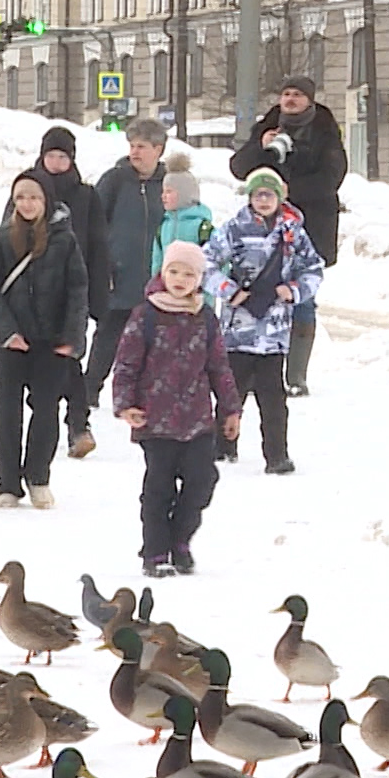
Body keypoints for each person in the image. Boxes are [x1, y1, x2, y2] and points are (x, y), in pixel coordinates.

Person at [111, 242, 242, 577]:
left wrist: (230, 410)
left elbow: (219, 368)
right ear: (162, 272)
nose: (180, 279)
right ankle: (155, 552)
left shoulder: (206, 318)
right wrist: (126, 404)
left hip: (198, 420)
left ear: (199, 279)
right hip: (155, 420)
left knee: (202, 481)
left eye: (189, 273)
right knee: (159, 489)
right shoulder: (146, 315)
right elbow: (126, 363)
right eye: (174, 271)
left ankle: (180, 541)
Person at [228, 75, 348, 398]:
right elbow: (238, 168)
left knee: (301, 299)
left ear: (309, 99)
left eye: (297, 94)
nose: (290, 99)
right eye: (286, 94)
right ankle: (258, 370)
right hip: (264, 231)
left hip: (309, 227)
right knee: (259, 297)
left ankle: (296, 375)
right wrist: (260, 147)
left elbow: (331, 177)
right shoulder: (268, 125)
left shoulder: (324, 129)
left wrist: (285, 191)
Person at [0, 169, 90, 509]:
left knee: (45, 411)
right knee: (7, 414)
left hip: (50, 341)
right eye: (21, 197)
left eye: (34, 197)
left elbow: (77, 289)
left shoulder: (64, 240)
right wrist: (6, 333)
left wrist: (72, 336)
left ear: (46, 201)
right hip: (12, 342)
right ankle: (8, 484)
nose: (27, 204)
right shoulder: (1, 239)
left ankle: (38, 476)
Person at [202, 168, 324, 475]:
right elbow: (205, 264)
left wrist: (293, 291)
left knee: (273, 398)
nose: (264, 200)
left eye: (270, 195)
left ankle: (276, 455)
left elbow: (313, 269)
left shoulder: (293, 232)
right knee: (231, 392)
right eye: (258, 195)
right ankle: (222, 446)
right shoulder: (234, 229)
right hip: (237, 330)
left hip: (274, 332)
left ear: (280, 198)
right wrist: (229, 291)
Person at [24, 126, 111, 460]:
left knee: (70, 356)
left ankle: (78, 424)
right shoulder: (27, 191)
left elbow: (98, 245)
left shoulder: (86, 195)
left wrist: (99, 295)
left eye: (63, 156)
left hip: (72, 293)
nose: (57, 162)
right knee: (46, 362)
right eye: (51, 156)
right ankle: (57, 421)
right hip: (33, 296)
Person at [86, 118, 170, 420]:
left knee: (155, 340)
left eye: (142, 147)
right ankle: (89, 390)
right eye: (132, 146)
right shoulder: (115, 180)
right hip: (119, 275)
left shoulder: (170, 182)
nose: (135, 152)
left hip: (159, 278)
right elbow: (93, 223)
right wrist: (102, 264)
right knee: (108, 336)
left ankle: (150, 394)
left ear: (158, 149)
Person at [151, 154, 215, 275]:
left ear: (184, 194)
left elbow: (216, 262)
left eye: (169, 191)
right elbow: (157, 262)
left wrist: (207, 292)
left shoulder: (201, 228)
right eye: (163, 191)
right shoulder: (164, 227)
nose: (163, 196)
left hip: (195, 291)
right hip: (168, 292)